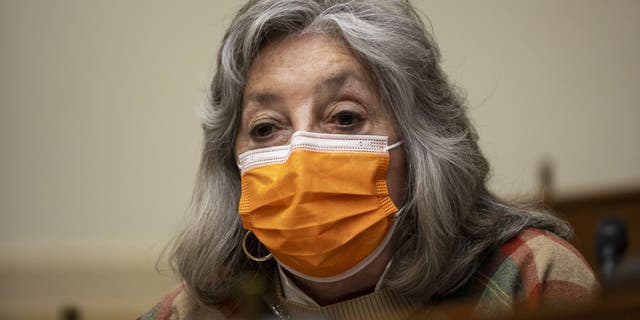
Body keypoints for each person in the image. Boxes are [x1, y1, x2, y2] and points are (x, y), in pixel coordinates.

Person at [140, 1, 597, 319]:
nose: (302, 153)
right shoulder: (189, 314)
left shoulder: (533, 282)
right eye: (266, 128)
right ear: (233, 166)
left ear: (420, 146)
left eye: (344, 117)